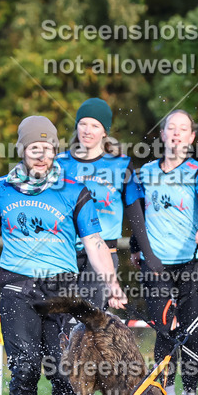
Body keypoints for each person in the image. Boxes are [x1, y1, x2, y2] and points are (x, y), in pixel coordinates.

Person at [0, 116, 127, 395]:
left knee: (64, 372)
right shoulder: (1, 188)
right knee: (24, 368)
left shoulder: (74, 190)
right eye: (34, 148)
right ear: (22, 150)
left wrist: (111, 284)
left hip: (61, 289)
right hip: (16, 287)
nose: (41, 156)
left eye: (47, 149)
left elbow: (95, 243)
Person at [131, 109, 198, 395]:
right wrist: (134, 248)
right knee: (165, 330)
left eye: (184, 129)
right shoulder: (146, 173)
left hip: (193, 260)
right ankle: (164, 393)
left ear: (191, 138)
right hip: (157, 264)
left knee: (190, 333)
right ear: (163, 135)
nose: (177, 133)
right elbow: (138, 215)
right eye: (171, 128)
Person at [55, 98, 146, 308]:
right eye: (83, 124)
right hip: (64, 254)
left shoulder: (121, 164)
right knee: (60, 324)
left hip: (103, 254)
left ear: (105, 131)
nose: (87, 130)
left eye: (95, 125)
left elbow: (136, 211)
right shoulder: (59, 163)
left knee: (88, 323)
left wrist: (141, 248)